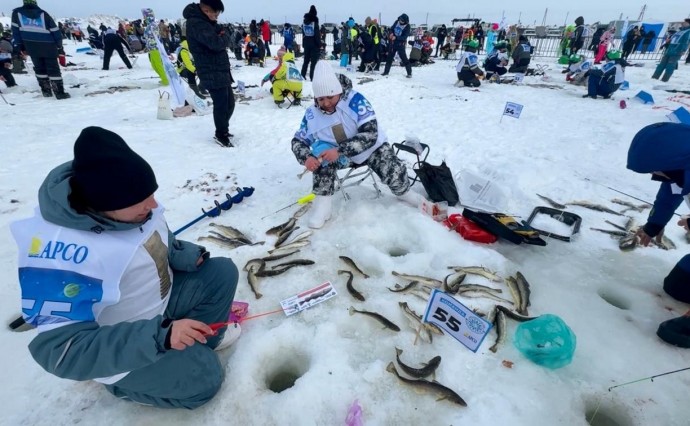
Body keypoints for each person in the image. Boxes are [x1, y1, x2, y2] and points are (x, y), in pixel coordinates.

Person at [10, 126, 240, 408]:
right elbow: (62, 352)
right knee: (206, 381)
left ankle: (196, 348)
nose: (153, 204)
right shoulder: (63, 254)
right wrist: (159, 337)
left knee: (222, 272)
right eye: (141, 201)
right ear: (104, 204)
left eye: (151, 194)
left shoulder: (130, 202)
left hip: (159, 307)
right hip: (124, 344)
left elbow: (155, 234)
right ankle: (124, 387)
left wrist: (180, 253)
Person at [290, 61, 422, 229]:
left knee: (391, 167)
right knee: (321, 160)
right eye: (321, 99)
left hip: (371, 148)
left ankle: (405, 192)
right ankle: (323, 206)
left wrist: (340, 150)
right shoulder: (311, 114)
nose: (326, 103)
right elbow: (298, 141)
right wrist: (306, 157)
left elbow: (370, 134)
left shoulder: (355, 100)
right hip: (338, 154)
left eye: (330, 97)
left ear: (338, 91)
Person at [626, 122, 690, 348]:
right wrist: (654, 224)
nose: (653, 175)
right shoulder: (682, 171)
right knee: (678, 287)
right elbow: (670, 194)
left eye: (654, 169)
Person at [183, 0, 236, 147]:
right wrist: (224, 35)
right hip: (210, 69)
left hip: (220, 68)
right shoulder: (196, 23)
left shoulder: (207, 21)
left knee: (230, 103)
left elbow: (222, 31)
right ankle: (221, 134)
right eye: (216, 13)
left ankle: (223, 128)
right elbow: (217, 43)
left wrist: (222, 33)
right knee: (221, 105)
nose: (217, 17)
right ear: (207, 10)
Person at [11, 0, 69, 99]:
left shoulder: (17, 14)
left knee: (39, 68)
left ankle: (46, 91)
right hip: (49, 46)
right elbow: (55, 31)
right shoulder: (43, 14)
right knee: (53, 69)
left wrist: (20, 46)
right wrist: (59, 45)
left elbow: (15, 32)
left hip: (31, 45)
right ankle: (59, 92)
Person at [382, 13, 412, 78]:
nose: (400, 21)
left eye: (402, 20)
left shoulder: (407, 26)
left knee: (404, 59)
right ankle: (386, 72)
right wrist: (391, 33)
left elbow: (404, 37)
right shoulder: (396, 22)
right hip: (392, 43)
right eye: (400, 20)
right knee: (389, 58)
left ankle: (409, 73)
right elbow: (392, 29)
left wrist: (396, 37)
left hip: (400, 45)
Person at [300, 5, 319, 80]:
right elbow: (317, 35)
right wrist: (319, 44)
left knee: (306, 61)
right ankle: (312, 77)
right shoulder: (315, 22)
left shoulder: (304, 23)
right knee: (313, 62)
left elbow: (303, 34)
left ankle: (302, 75)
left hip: (306, 43)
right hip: (314, 44)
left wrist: (304, 43)